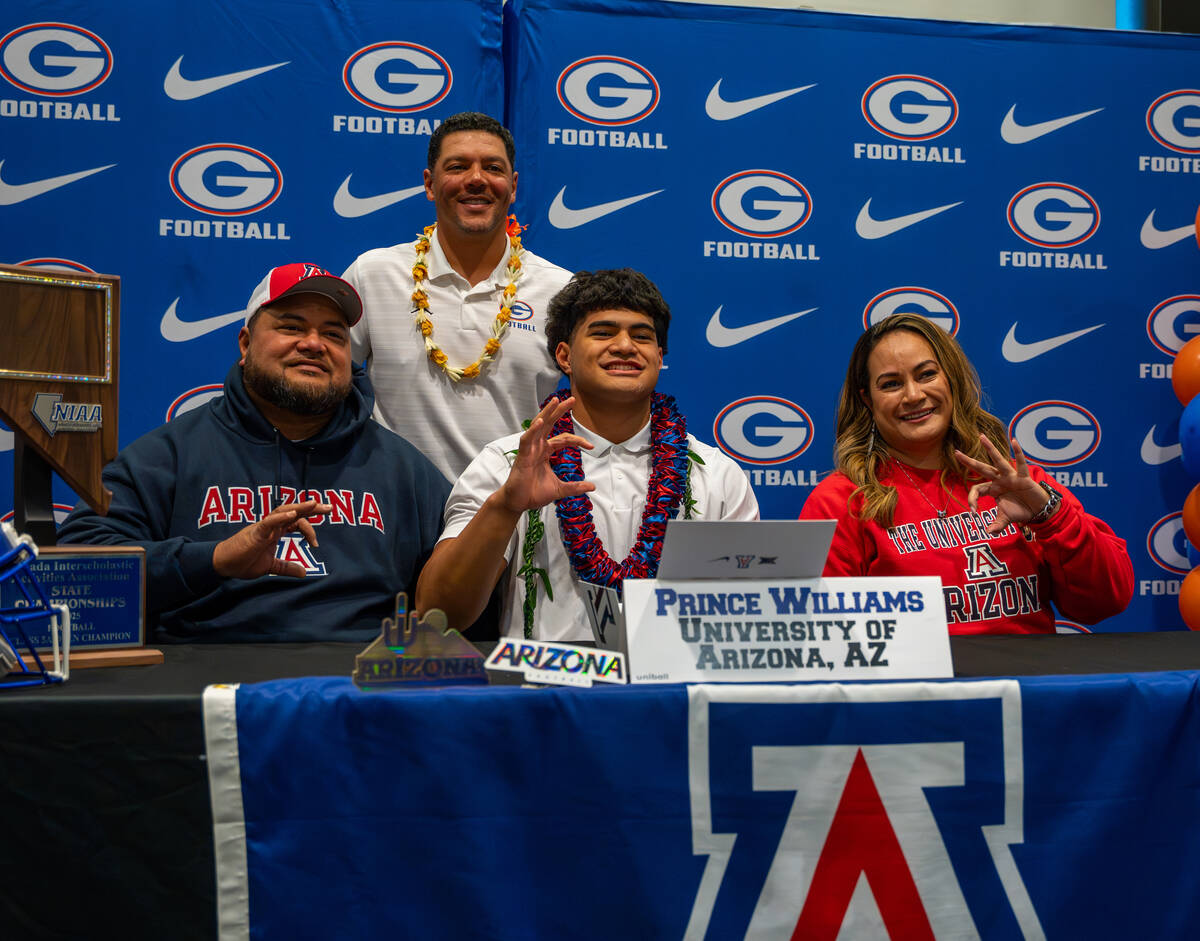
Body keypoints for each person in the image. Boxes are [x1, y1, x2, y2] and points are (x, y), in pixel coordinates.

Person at [58, 263, 450, 643]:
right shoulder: (171, 453)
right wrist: (215, 560)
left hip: (359, 682)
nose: (314, 344)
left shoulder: (403, 469)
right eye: (291, 327)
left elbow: (459, 587)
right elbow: (78, 563)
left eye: (334, 335)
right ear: (245, 344)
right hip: (204, 679)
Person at [415, 268, 760, 642]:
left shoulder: (717, 474)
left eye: (642, 336)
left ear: (660, 358)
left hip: (673, 692)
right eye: (603, 332)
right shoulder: (506, 463)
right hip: (547, 694)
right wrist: (505, 506)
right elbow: (439, 614)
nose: (626, 346)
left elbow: (750, 612)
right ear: (564, 356)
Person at [799, 312, 1133, 634]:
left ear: (952, 379)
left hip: (1027, 688)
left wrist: (1050, 516)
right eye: (891, 384)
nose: (914, 395)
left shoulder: (1017, 483)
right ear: (868, 401)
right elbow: (823, 635)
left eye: (927, 374)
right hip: (914, 691)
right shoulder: (841, 501)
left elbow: (1106, 601)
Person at [342, 111, 572, 481]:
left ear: (513, 186)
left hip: (513, 513)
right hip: (398, 514)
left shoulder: (560, 289)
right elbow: (329, 390)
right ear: (430, 184)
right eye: (458, 166)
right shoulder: (372, 274)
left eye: (493, 168)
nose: (477, 179)